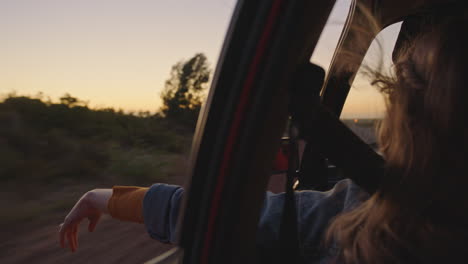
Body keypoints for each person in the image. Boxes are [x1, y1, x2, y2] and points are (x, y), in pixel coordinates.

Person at [59, 13, 468, 264]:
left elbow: (224, 215)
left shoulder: (370, 213)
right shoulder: (395, 201)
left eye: (401, 89)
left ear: (410, 122)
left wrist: (107, 198)